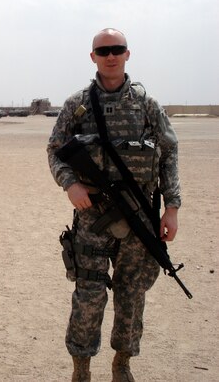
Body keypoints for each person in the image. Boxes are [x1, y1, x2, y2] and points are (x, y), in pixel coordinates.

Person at [47, 28, 181, 382]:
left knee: (131, 295)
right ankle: (81, 369)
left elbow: (168, 153)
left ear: (127, 54)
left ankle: (122, 363)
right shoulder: (77, 105)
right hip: (92, 216)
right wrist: (70, 184)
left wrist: (172, 207)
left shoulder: (146, 104)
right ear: (93, 57)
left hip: (139, 217)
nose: (111, 55)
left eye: (117, 49)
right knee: (88, 293)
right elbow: (54, 150)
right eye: (103, 50)